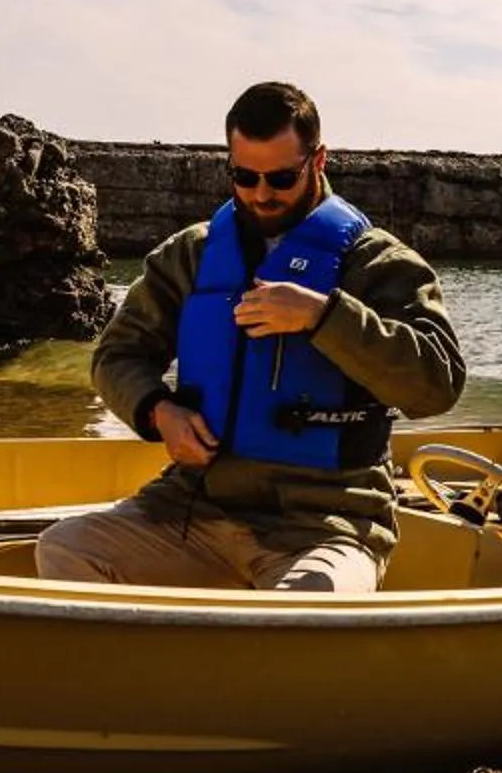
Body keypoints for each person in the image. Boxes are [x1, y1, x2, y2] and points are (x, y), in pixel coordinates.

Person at [36, 82, 467, 594]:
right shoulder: (190, 256)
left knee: (310, 600)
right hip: (194, 506)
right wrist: (158, 411)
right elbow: (116, 356)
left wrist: (324, 316)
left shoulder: (378, 264)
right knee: (66, 547)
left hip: (327, 524)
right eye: (245, 176)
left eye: (282, 177)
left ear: (319, 159)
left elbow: (437, 386)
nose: (262, 193)